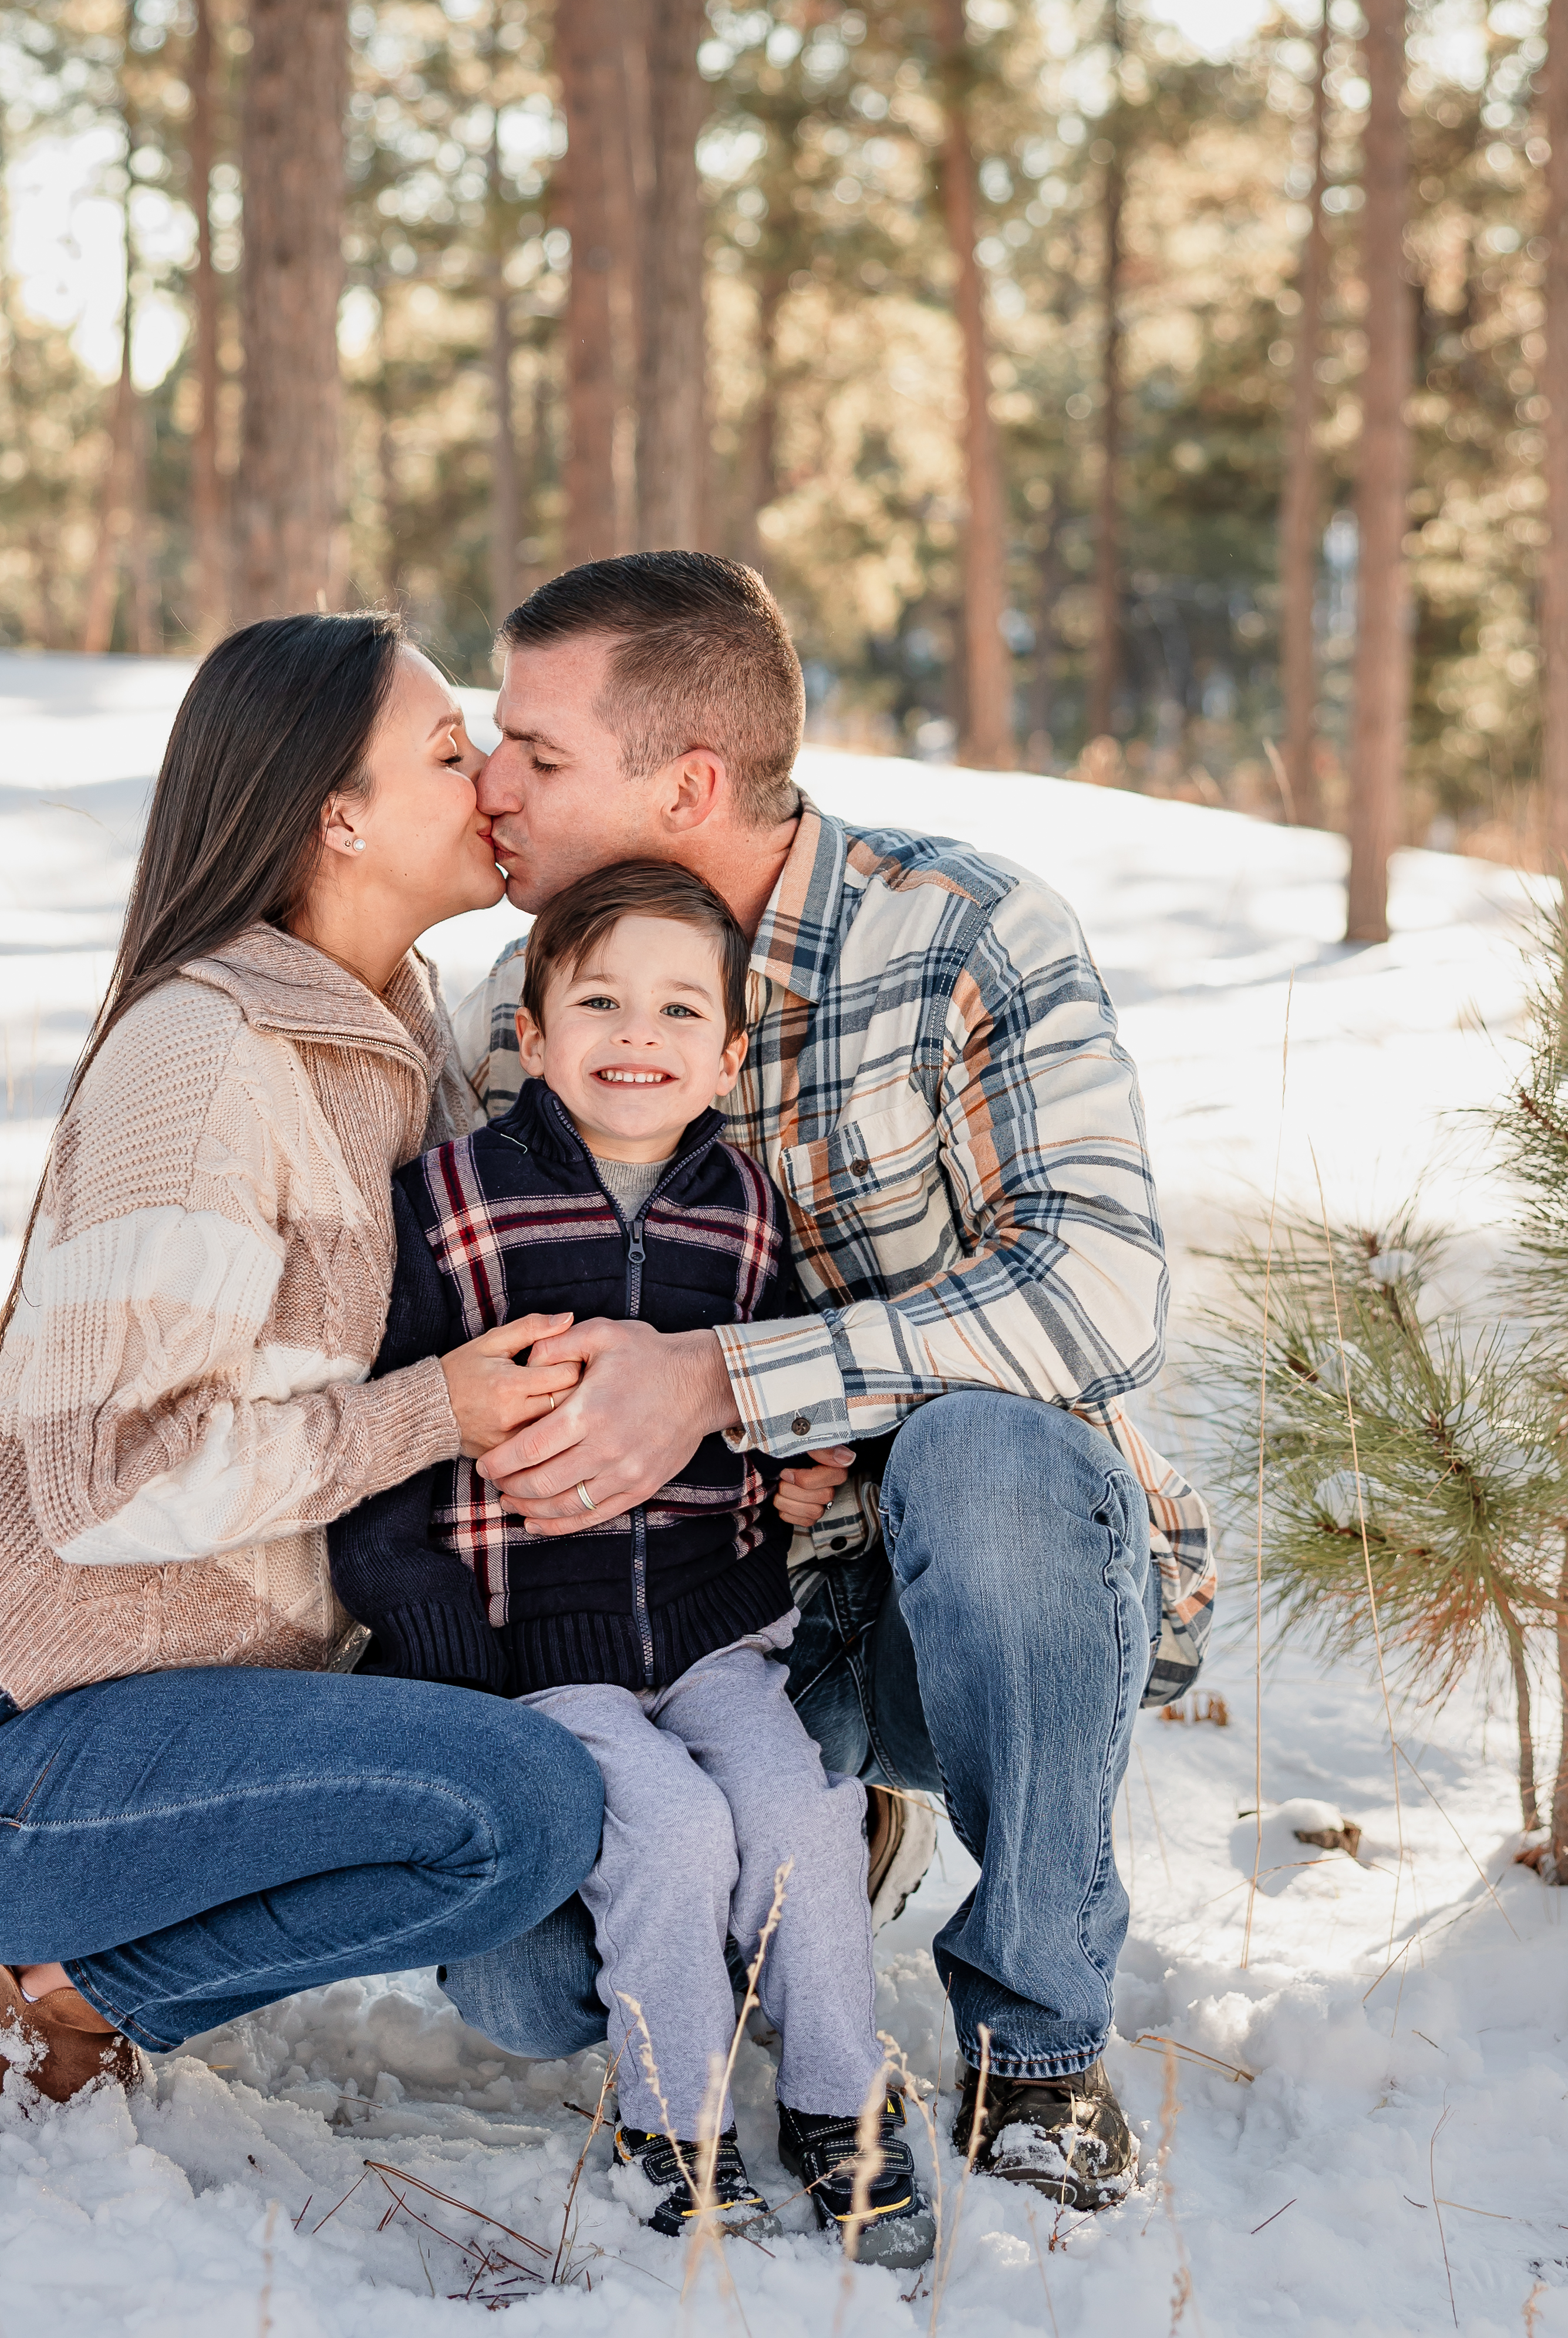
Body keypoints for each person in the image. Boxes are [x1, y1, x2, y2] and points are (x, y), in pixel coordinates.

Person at [437, 551, 1216, 2214]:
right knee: (521, 1993)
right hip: (687, 1611)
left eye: (534, 750)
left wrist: (729, 1378)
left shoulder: (963, 933)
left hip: (975, 1597)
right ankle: (805, 1838)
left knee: (991, 1456)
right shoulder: (523, 1014)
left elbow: (1099, 1288)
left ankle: (1037, 2040)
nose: (488, 781)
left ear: (688, 783)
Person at [0, 614, 605, 2121]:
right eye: (453, 750)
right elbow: (119, 1480)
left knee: (543, 1807)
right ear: (340, 815)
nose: (496, 772)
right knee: (523, 1803)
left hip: (147, 1714)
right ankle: (59, 2007)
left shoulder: (394, 1031)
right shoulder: (211, 1053)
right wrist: (432, 1411)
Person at [328, 859, 932, 2266]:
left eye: (678, 1007)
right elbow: (380, 1443)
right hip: (536, 1648)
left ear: (728, 1054)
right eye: (598, 998)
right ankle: (680, 2123)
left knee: (799, 1818)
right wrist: (439, 1641)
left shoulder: (751, 1217)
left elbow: (770, 1397)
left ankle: (842, 2101)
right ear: (529, 1035)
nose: (636, 1032)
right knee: (668, 1832)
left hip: (721, 1629)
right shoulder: (450, 1208)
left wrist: (794, 1474)